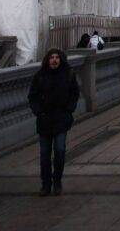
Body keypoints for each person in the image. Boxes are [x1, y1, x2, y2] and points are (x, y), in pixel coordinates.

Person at [28, 48, 80, 196]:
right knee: (44, 154)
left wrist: (69, 110)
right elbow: (32, 96)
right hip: (45, 120)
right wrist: (39, 112)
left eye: (57, 57)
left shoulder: (68, 75)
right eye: (52, 57)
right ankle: (46, 184)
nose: (54, 60)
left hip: (61, 119)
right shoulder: (40, 76)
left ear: (61, 60)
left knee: (60, 150)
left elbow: (74, 93)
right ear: (47, 60)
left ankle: (57, 181)